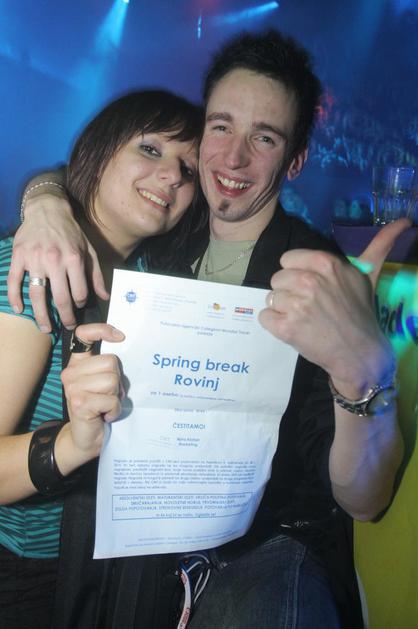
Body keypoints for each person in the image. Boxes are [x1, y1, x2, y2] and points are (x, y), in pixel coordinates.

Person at [9, 30, 406, 629]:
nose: (234, 158)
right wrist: (43, 203)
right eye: (221, 127)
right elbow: (88, 177)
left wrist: (365, 371)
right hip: (140, 541)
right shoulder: (167, 235)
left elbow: (363, 499)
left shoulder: (315, 279)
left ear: (295, 160)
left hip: (263, 542)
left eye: (264, 137)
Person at [0, 88, 202, 629]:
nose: (173, 175)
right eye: (151, 149)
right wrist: (71, 443)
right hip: (34, 575)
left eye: (188, 168)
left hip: (119, 567)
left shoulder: (156, 284)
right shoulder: (32, 272)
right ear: (99, 148)